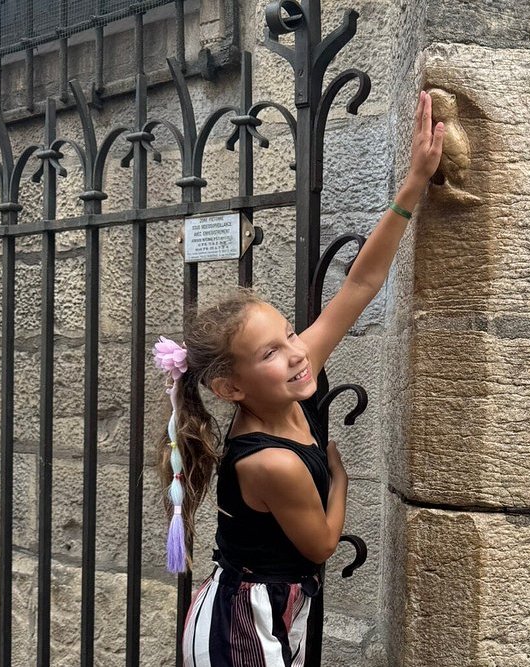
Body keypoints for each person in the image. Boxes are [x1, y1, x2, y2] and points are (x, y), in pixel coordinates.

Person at [150, 90, 445, 667]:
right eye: (270, 352)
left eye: (288, 334)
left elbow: (358, 287)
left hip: (263, 608)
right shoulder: (270, 461)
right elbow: (323, 543)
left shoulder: (288, 374)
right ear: (231, 389)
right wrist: (338, 477)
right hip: (241, 626)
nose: (295, 353)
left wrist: (413, 184)